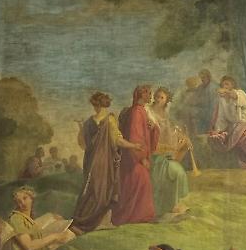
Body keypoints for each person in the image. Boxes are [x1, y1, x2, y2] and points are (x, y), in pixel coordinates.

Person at [71, 91, 146, 235]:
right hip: (98, 162)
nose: (97, 107)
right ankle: (87, 222)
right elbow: (87, 144)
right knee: (98, 190)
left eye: (97, 104)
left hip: (98, 161)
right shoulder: (99, 121)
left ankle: (94, 221)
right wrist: (134, 146)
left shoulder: (100, 121)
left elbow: (112, 140)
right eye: (97, 104)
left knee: (98, 191)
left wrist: (133, 146)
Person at [113, 85, 160, 225]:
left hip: (137, 157)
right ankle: (133, 218)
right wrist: (142, 158)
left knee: (142, 184)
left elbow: (147, 133)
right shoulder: (136, 112)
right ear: (141, 95)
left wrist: (152, 129)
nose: (151, 96)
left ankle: (142, 217)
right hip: (133, 159)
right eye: (148, 93)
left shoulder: (142, 111)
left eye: (151, 93)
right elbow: (135, 137)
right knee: (139, 183)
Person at [149, 86, 194, 215]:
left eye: (161, 98)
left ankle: (174, 204)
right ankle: (171, 205)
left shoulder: (165, 114)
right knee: (176, 172)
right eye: (157, 97)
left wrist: (183, 138)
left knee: (178, 172)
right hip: (155, 153)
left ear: (166, 100)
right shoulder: (149, 113)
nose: (158, 100)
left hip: (165, 153)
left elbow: (172, 130)